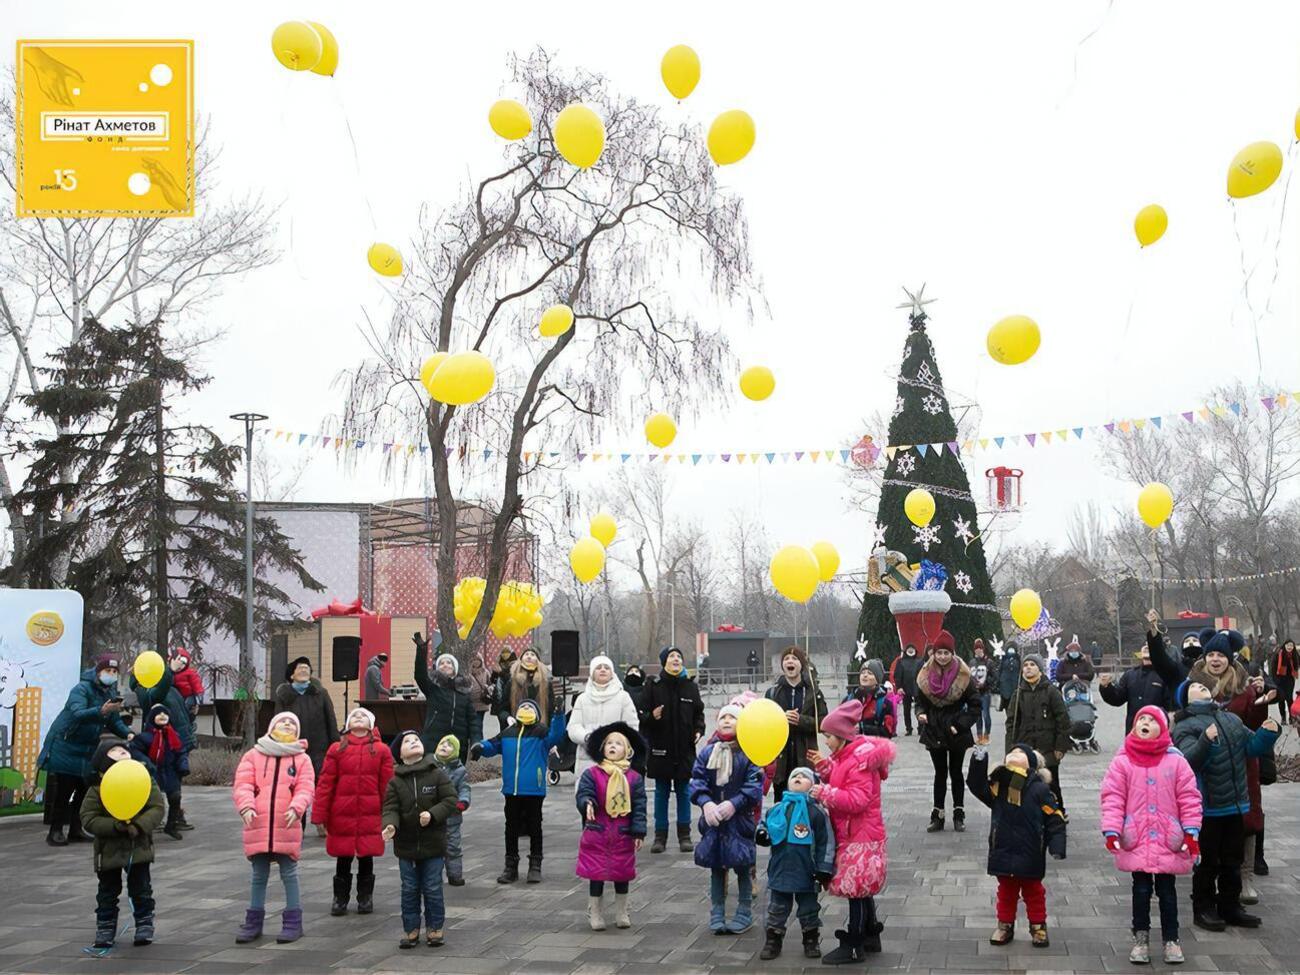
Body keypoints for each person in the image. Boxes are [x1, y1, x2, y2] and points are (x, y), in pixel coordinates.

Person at [1171, 676, 1280, 931]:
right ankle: (1204, 908)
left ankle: (1230, 906)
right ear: (1185, 699)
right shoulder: (1185, 726)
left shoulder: (1230, 718)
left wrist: (1267, 733)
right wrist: (1205, 740)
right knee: (1208, 862)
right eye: (1196, 687)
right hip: (1208, 807)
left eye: (1203, 685)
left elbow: (1250, 748)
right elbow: (1188, 762)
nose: (1202, 688)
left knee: (1233, 859)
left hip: (1235, 802)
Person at [1180, 628, 1275, 910]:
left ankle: (1243, 879)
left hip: (1242, 765)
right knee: (1212, 829)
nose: (1215, 659)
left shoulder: (1243, 687)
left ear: (1230, 658)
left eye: (1221, 654)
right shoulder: (1194, 685)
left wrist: (1261, 706)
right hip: (1208, 769)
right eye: (1211, 654)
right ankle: (1207, 891)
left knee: (1245, 821)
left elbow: (1254, 727)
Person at [1100, 706, 1202, 965]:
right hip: (1136, 838)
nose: (1145, 723)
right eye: (1141, 719)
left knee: (1168, 891)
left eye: (1152, 720)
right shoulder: (1123, 760)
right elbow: (1113, 798)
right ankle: (1141, 938)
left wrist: (1191, 832)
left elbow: (1189, 798)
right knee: (1141, 890)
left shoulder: (1176, 760)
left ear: (1163, 728)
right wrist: (1112, 829)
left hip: (1169, 839)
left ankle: (1171, 939)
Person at [807, 698, 897, 964]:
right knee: (862, 889)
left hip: (860, 836)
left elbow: (857, 800)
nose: (826, 742)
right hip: (857, 834)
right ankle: (871, 934)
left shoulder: (859, 761)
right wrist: (826, 768)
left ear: (842, 736)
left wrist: (824, 792)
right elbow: (841, 774)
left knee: (856, 891)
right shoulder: (849, 756)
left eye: (828, 737)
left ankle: (854, 943)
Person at [967, 743, 1067, 948]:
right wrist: (978, 762)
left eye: (1020, 753)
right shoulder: (999, 786)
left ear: (1031, 763)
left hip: (1030, 851)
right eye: (1011, 753)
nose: (1014, 755)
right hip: (1003, 848)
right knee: (1006, 891)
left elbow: (1054, 817)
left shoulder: (1039, 789)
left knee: (1034, 891)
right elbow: (977, 787)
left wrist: (1057, 845)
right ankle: (1005, 925)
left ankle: (1038, 926)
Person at [233, 712, 317, 945]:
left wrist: (297, 808)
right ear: (271, 726)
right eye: (283, 721)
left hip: (286, 825)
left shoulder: (302, 759)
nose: (288, 724)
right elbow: (243, 785)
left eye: (293, 723)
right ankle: (253, 922)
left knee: (289, 873)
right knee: (258, 875)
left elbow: (305, 787)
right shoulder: (254, 755)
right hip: (258, 824)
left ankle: (293, 922)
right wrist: (246, 806)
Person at [38, 653, 132, 846]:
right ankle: (55, 831)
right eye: (108, 670)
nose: (111, 674)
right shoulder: (81, 689)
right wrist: (101, 711)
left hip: (87, 749)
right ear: (98, 671)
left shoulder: (109, 693)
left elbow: (113, 720)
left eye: (114, 671)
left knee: (84, 790)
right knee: (65, 790)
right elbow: (78, 713)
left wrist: (128, 733)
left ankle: (76, 829)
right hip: (67, 745)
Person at [471, 699, 568, 884]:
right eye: (523, 707)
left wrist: (558, 714)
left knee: (534, 826)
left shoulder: (541, 733)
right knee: (511, 827)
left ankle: (535, 864)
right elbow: (492, 745)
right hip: (511, 790)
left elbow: (557, 735)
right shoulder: (508, 733)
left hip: (534, 789)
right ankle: (511, 866)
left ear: (537, 714)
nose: (525, 709)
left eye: (530, 707)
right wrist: (480, 747)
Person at [80, 738, 165, 949]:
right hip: (108, 851)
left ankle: (144, 923)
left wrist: (139, 825)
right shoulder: (97, 789)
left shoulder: (143, 781)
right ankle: (105, 927)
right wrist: (114, 826)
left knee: (142, 888)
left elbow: (156, 808)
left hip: (139, 848)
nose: (122, 753)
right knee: (107, 892)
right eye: (115, 751)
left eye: (124, 750)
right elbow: (88, 818)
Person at [690, 703, 764, 935]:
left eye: (733, 717)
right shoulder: (707, 752)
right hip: (713, 822)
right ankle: (717, 911)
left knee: (742, 866)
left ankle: (744, 911)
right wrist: (706, 803)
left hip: (739, 822)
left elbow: (754, 786)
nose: (727, 721)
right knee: (716, 867)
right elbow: (697, 781)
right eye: (723, 717)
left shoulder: (749, 753)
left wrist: (735, 803)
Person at [382, 730, 459, 948]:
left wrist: (433, 814)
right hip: (406, 846)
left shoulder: (436, 773)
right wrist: (390, 825)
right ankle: (411, 929)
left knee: (433, 887)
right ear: (400, 753)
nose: (413, 742)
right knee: (409, 888)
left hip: (433, 845)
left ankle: (435, 927)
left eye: (416, 739)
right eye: (407, 741)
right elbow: (390, 808)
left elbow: (450, 799)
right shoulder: (396, 781)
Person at [312, 707, 393, 917]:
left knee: (367, 857)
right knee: (343, 857)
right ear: (348, 724)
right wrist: (319, 814)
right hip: (342, 814)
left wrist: (390, 814)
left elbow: (388, 786)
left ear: (371, 724)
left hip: (371, 813)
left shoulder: (382, 750)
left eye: (363, 716)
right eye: (354, 716)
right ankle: (340, 898)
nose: (358, 718)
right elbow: (325, 783)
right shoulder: (337, 749)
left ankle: (365, 897)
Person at [755, 767, 835, 960]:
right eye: (794, 776)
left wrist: (824, 868)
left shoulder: (816, 812)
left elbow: (827, 841)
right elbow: (765, 825)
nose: (798, 778)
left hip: (807, 870)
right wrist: (762, 834)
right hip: (781, 868)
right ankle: (773, 939)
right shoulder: (777, 808)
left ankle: (810, 939)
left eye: (804, 777)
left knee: (808, 908)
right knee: (777, 907)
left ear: (813, 785)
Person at [575, 721, 647, 931]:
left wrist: (638, 831)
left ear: (628, 750)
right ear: (603, 748)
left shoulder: (633, 778)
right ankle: (595, 911)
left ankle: (621, 910)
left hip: (622, 834)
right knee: (596, 875)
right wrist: (587, 804)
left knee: (621, 874)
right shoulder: (593, 773)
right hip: (598, 833)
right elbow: (585, 793)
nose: (613, 746)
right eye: (609, 743)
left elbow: (639, 806)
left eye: (618, 743)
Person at [638, 645, 705, 853]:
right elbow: (641, 716)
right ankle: (660, 836)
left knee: (684, 792)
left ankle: (684, 834)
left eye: (679, 656)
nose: (676, 659)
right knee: (661, 792)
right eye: (672, 656)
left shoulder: (690, 687)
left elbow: (698, 714)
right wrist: (652, 717)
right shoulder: (653, 685)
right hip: (661, 749)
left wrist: (699, 730)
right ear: (664, 661)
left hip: (684, 750)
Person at [914, 630, 980, 833]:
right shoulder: (924, 674)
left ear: (953, 653)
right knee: (940, 773)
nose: (942, 656)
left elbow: (975, 705)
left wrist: (959, 724)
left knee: (956, 772)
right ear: (933, 653)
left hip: (956, 729)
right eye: (939, 652)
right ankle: (938, 815)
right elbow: (919, 702)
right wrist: (921, 714)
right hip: (934, 728)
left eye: (946, 653)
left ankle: (959, 814)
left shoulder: (964, 675)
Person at [1004, 651, 1071, 813]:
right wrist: (1010, 750)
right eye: (1025, 665)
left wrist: (1060, 747)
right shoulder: (1018, 693)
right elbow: (1011, 723)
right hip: (1025, 747)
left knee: (1051, 782)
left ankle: (1057, 811)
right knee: (1025, 782)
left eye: (1032, 665)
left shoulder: (1051, 691)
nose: (1028, 668)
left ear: (1040, 669)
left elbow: (1063, 720)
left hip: (1048, 747)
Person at [764, 647, 828, 803]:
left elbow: (824, 723)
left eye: (794, 659)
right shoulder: (773, 692)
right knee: (781, 804)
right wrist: (780, 719)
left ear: (802, 665)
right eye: (786, 659)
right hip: (781, 759)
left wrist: (801, 720)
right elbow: (765, 723)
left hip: (806, 756)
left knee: (807, 802)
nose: (790, 662)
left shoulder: (814, 693)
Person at [567, 655, 639, 785]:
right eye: (598, 668)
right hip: (587, 761)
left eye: (607, 668)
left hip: (616, 762)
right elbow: (573, 727)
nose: (603, 670)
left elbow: (632, 727)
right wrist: (588, 737)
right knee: (588, 801)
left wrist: (614, 742)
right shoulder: (582, 699)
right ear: (592, 673)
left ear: (612, 673)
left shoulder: (623, 697)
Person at [273, 657, 339, 785]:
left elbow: (331, 720)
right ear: (292, 675)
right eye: (300, 668)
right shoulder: (284, 696)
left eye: (306, 668)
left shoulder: (321, 693)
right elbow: (278, 722)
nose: (304, 670)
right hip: (293, 749)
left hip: (319, 751)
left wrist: (335, 746)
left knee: (320, 785)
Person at [130, 704, 189, 840]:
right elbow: (135, 751)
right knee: (150, 801)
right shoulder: (145, 737)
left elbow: (181, 752)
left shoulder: (174, 735)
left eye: (165, 714)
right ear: (152, 718)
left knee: (175, 798)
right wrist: (147, 763)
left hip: (171, 772)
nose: (162, 716)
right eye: (159, 714)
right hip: (152, 772)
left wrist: (183, 766)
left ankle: (172, 825)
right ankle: (145, 827)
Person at [411, 636, 473, 762]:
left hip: (457, 744)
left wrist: (476, 741)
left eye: (449, 662)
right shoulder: (433, 688)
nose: (445, 665)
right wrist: (421, 651)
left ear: (455, 668)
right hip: (433, 741)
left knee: (455, 778)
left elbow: (473, 721)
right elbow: (420, 675)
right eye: (442, 663)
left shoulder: (463, 692)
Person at [1100, 645, 1168, 733]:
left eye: (1150, 643)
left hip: (1157, 732)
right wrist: (1106, 687)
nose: (1147, 646)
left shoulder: (1166, 675)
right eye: (1145, 644)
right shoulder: (1130, 675)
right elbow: (1117, 699)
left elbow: (1170, 707)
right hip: (1133, 730)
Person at [432, 734, 470, 885]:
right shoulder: (429, 767)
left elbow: (464, 789)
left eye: (449, 746)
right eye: (442, 744)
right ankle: (433, 876)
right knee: (434, 848)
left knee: (453, 847)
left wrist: (463, 802)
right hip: (433, 816)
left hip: (452, 816)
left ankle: (455, 875)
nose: (444, 747)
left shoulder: (459, 771)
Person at [844, 660, 895, 738]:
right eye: (863, 673)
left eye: (870, 673)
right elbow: (838, 723)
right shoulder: (849, 699)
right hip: (852, 747)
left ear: (877, 679)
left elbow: (888, 732)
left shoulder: (884, 703)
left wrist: (864, 729)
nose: (865, 675)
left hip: (874, 747)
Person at [887, 645, 922, 735]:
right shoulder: (900, 661)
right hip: (905, 688)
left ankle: (921, 727)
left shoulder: (920, 661)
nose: (911, 650)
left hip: (918, 688)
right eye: (909, 649)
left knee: (920, 708)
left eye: (912, 649)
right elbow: (897, 675)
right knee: (906, 710)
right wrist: (899, 687)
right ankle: (908, 728)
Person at [969, 639, 996, 745]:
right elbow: (969, 676)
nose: (978, 651)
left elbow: (994, 677)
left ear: (983, 649)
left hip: (985, 692)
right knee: (977, 715)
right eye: (976, 649)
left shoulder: (989, 662)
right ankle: (979, 736)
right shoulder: (972, 662)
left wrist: (986, 683)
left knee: (986, 715)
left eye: (980, 648)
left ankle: (987, 735)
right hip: (975, 693)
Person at [1267, 639, 1297, 724]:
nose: (1290, 647)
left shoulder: (1294, 654)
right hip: (1279, 680)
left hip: (1289, 680)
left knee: (1289, 699)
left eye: (1291, 645)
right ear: (1285, 645)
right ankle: (1283, 717)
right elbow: (1272, 667)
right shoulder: (1278, 654)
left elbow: (1297, 664)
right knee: (1281, 699)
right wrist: (1274, 680)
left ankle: (1292, 717)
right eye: (1288, 645)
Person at [169, 648, 204, 720]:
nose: (180, 666)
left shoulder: (189, 672)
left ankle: (189, 719)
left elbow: (196, 683)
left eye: (183, 664)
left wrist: (199, 694)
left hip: (189, 695)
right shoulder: (171, 673)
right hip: (178, 696)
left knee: (187, 706)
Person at [466, 655, 493, 745]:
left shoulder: (485, 672)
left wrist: (488, 688)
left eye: (478, 660)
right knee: (471, 725)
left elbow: (491, 683)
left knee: (478, 724)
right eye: (474, 659)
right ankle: (474, 742)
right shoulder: (467, 673)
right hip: (470, 703)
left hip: (482, 704)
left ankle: (479, 744)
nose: (476, 661)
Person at [995, 641, 1020, 711]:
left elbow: (1020, 671)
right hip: (1004, 686)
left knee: (1015, 705)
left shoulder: (1018, 659)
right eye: (1009, 649)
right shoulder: (1003, 659)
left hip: (1015, 685)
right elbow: (999, 671)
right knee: (1007, 705)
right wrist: (997, 683)